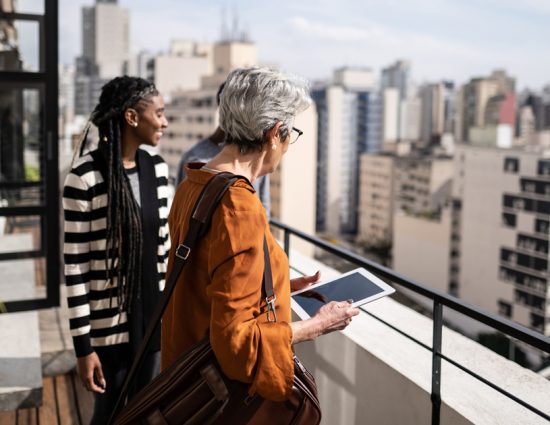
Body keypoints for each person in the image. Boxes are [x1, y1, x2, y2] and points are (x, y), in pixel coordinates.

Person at [162, 67, 359, 406]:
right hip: (217, 400)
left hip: (184, 380)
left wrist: (276, 283)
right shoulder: (239, 207)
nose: (288, 146)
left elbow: (206, 278)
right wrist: (317, 326)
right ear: (274, 133)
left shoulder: (194, 183)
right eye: (290, 133)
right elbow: (237, 344)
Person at [63, 76, 170, 424]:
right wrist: (84, 348)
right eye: (160, 113)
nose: (165, 122)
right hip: (108, 333)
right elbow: (75, 268)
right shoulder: (85, 177)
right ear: (131, 117)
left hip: (153, 324)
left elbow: (164, 253)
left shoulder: (157, 168)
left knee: (147, 414)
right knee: (109, 417)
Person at [175, 83, 271, 216]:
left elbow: (264, 209)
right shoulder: (194, 159)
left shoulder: (257, 156)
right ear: (223, 107)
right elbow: (181, 211)